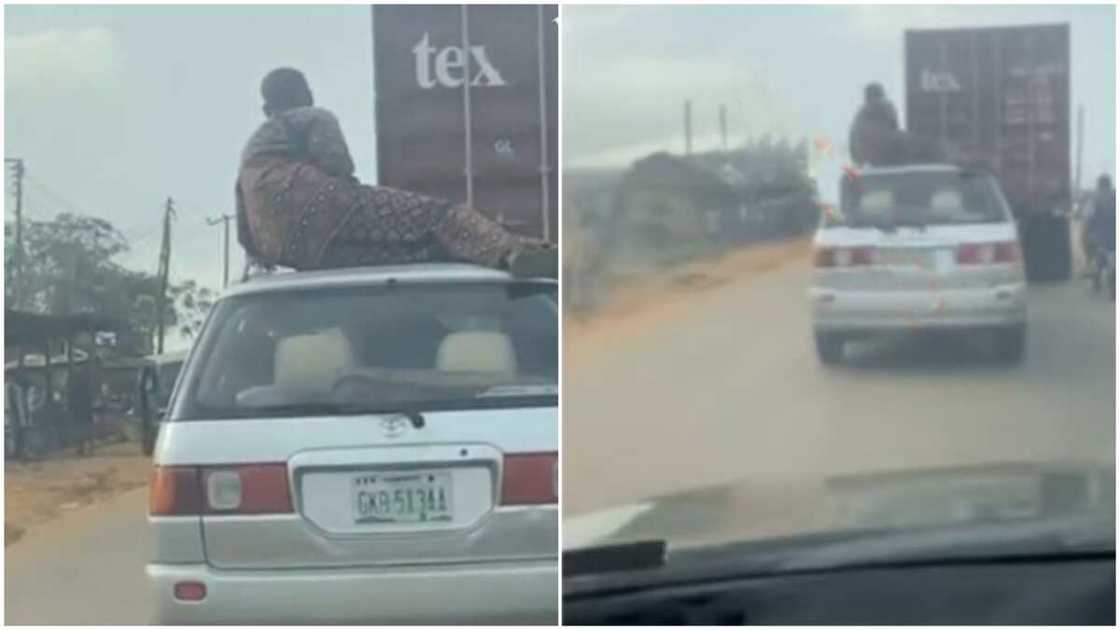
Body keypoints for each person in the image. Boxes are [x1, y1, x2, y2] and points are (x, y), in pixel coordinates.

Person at [237, 68, 556, 277]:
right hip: (329, 209)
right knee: (441, 218)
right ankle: (514, 254)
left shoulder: (252, 151)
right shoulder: (311, 115)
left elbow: (243, 228)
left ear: (266, 109)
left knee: (418, 251)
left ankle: (517, 249)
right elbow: (338, 164)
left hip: (293, 250)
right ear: (306, 94)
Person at [1087, 174, 1115, 266]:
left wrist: (1089, 229)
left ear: (1099, 185)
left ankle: (1093, 267)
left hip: (1101, 235)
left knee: (1091, 245)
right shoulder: (1115, 195)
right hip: (1112, 234)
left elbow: (1090, 216)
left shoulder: (1095, 197)